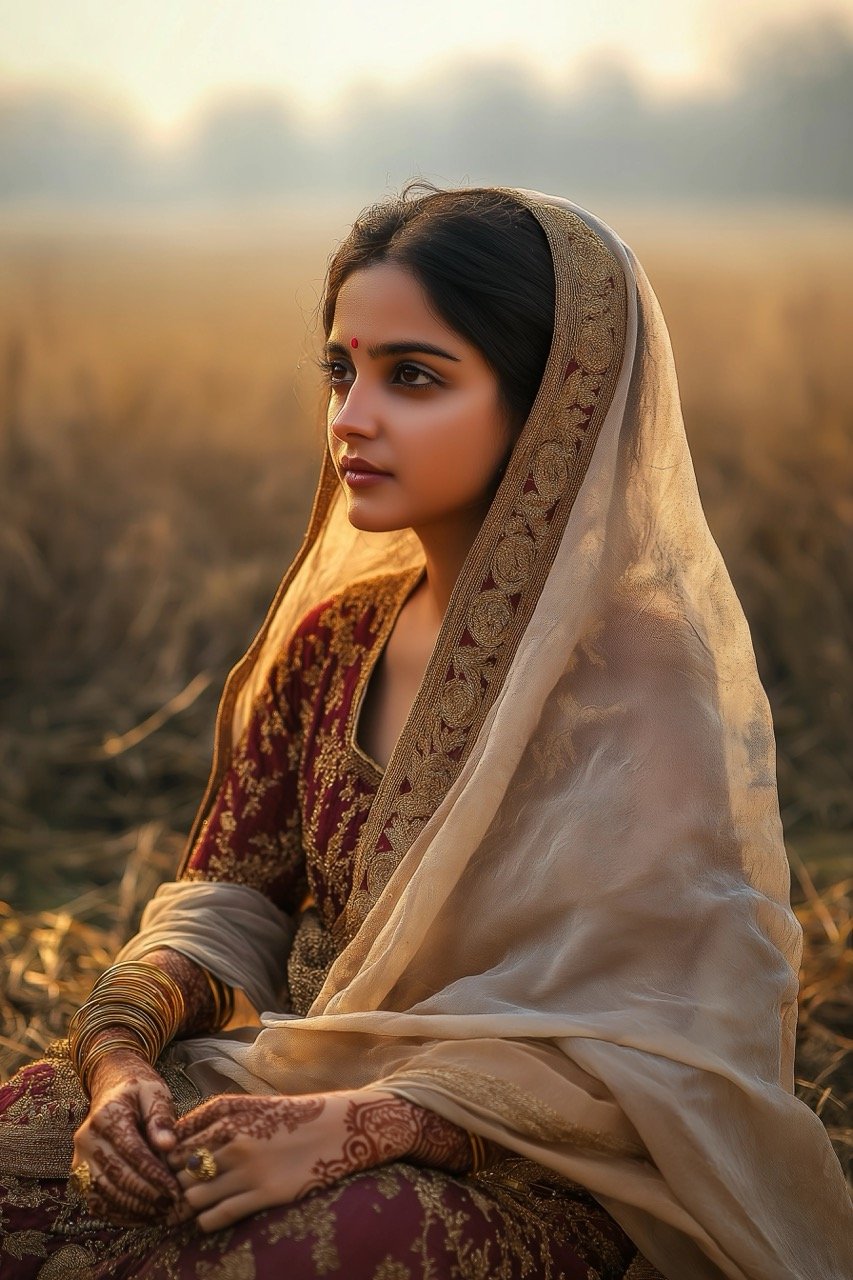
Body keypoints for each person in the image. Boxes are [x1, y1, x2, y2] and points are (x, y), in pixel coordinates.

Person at [0, 185, 850, 1280]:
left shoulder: (633, 675)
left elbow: (664, 1044)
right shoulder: (332, 644)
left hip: (532, 1163)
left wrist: (372, 1124)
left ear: (551, 402)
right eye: (340, 370)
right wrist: (123, 1062)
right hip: (294, 1086)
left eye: (413, 376)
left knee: (332, 1247)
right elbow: (231, 902)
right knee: (30, 1127)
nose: (352, 415)